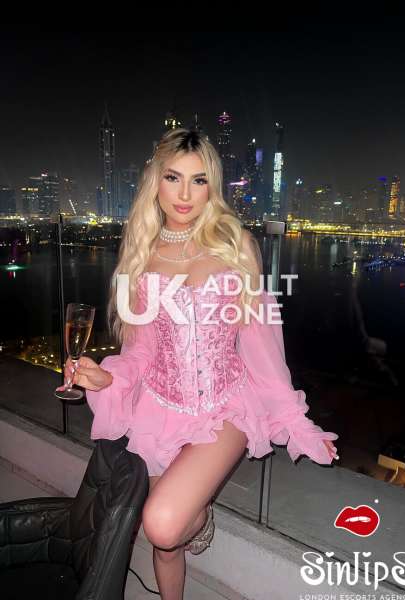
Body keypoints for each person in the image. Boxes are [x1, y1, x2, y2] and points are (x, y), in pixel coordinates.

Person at [56, 128, 339, 600]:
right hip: (159, 409)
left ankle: (200, 518)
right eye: (173, 178)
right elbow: (142, 350)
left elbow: (260, 342)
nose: (185, 194)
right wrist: (106, 377)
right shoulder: (143, 255)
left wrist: (294, 419)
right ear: (156, 181)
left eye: (199, 180)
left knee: (163, 523)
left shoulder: (236, 244)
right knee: (165, 546)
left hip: (225, 405)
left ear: (213, 186)